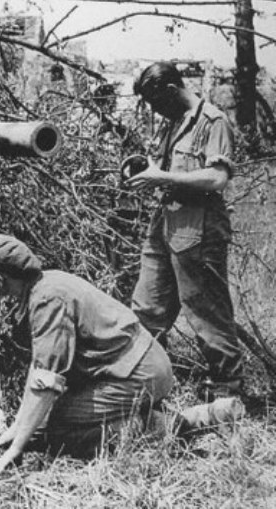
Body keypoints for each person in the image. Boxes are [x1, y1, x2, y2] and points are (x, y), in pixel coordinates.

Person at [0, 234, 174, 474]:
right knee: (40, 425)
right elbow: (40, 365)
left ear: (0, 279)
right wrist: (18, 427)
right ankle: (142, 416)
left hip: (140, 374)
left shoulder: (47, 300)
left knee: (58, 428)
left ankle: (158, 426)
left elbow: (47, 381)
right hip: (142, 365)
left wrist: (16, 448)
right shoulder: (46, 283)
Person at [125, 62, 243, 397]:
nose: (154, 109)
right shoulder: (174, 122)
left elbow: (217, 178)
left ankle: (227, 390)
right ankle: (141, 378)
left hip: (199, 230)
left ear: (170, 90)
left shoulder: (213, 121)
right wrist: (145, 170)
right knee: (148, 307)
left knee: (206, 311)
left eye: (155, 101)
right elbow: (166, 168)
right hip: (165, 225)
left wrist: (162, 178)